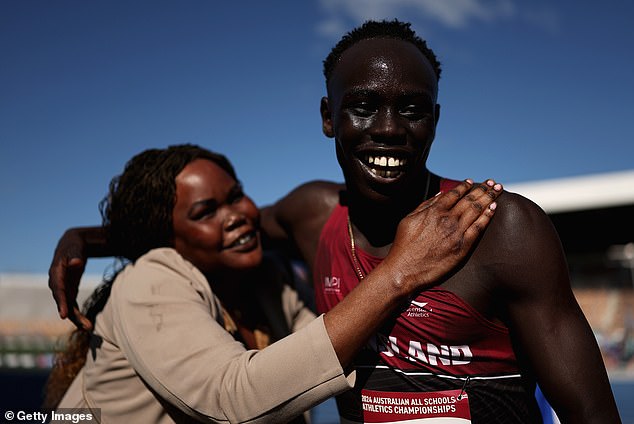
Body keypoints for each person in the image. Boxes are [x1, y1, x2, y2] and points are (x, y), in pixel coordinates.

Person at [48, 20, 620, 423]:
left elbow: (593, 415)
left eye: (413, 109)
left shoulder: (499, 228)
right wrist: (84, 239)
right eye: (364, 105)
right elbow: (201, 232)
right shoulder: (313, 214)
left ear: (437, 120)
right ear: (329, 116)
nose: (390, 129)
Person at [45, 144, 501, 423]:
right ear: (168, 237)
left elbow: (332, 340)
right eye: (206, 213)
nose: (239, 217)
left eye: (236, 195)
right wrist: (400, 272)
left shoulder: (262, 278)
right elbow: (234, 399)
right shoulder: (149, 279)